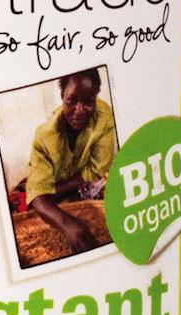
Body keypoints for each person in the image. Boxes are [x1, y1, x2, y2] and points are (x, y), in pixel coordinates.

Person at [26, 69, 115, 254]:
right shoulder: (44, 137)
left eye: (88, 102)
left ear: (96, 98)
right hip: (56, 183)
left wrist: (55, 192)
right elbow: (36, 192)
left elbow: (97, 168)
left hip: (71, 184)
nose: (79, 110)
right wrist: (67, 224)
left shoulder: (104, 118)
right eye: (72, 101)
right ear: (62, 97)